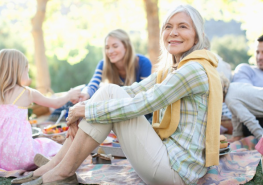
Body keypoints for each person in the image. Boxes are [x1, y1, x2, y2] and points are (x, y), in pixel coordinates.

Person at [13, 4, 223, 185]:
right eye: (168, 26)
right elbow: (132, 91)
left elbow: (144, 103)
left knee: (108, 98)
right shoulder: (174, 69)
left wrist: (86, 109)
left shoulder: (194, 69)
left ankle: (61, 171)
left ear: (198, 35)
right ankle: (57, 166)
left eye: (183, 26)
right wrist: (84, 110)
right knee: (110, 91)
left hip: (176, 172)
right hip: (167, 161)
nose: (173, 32)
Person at [0, 49, 81, 171]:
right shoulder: (27, 93)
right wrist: (69, 95)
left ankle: (47, 162)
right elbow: (56, 103)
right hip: (24, 156)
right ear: (18, 70)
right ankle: (50, 163)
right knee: (47, 144)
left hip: (2, 161)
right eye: (26, 69)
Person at [48, 29, 152, 121]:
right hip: (116, 104)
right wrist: (85, 94)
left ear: (126, 47)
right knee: (83, 90)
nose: (110, 51)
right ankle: (57, 114)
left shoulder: (143, 63)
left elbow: (142, 95)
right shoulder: (104, 64)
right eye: (107, 47)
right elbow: (93, 84)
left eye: (115, 46)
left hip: (134, 107)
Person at [227, 34, 263, 141]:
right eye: (257, 52)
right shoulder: (246, 69)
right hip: (259, 122)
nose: (259, 57)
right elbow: (245, 103)